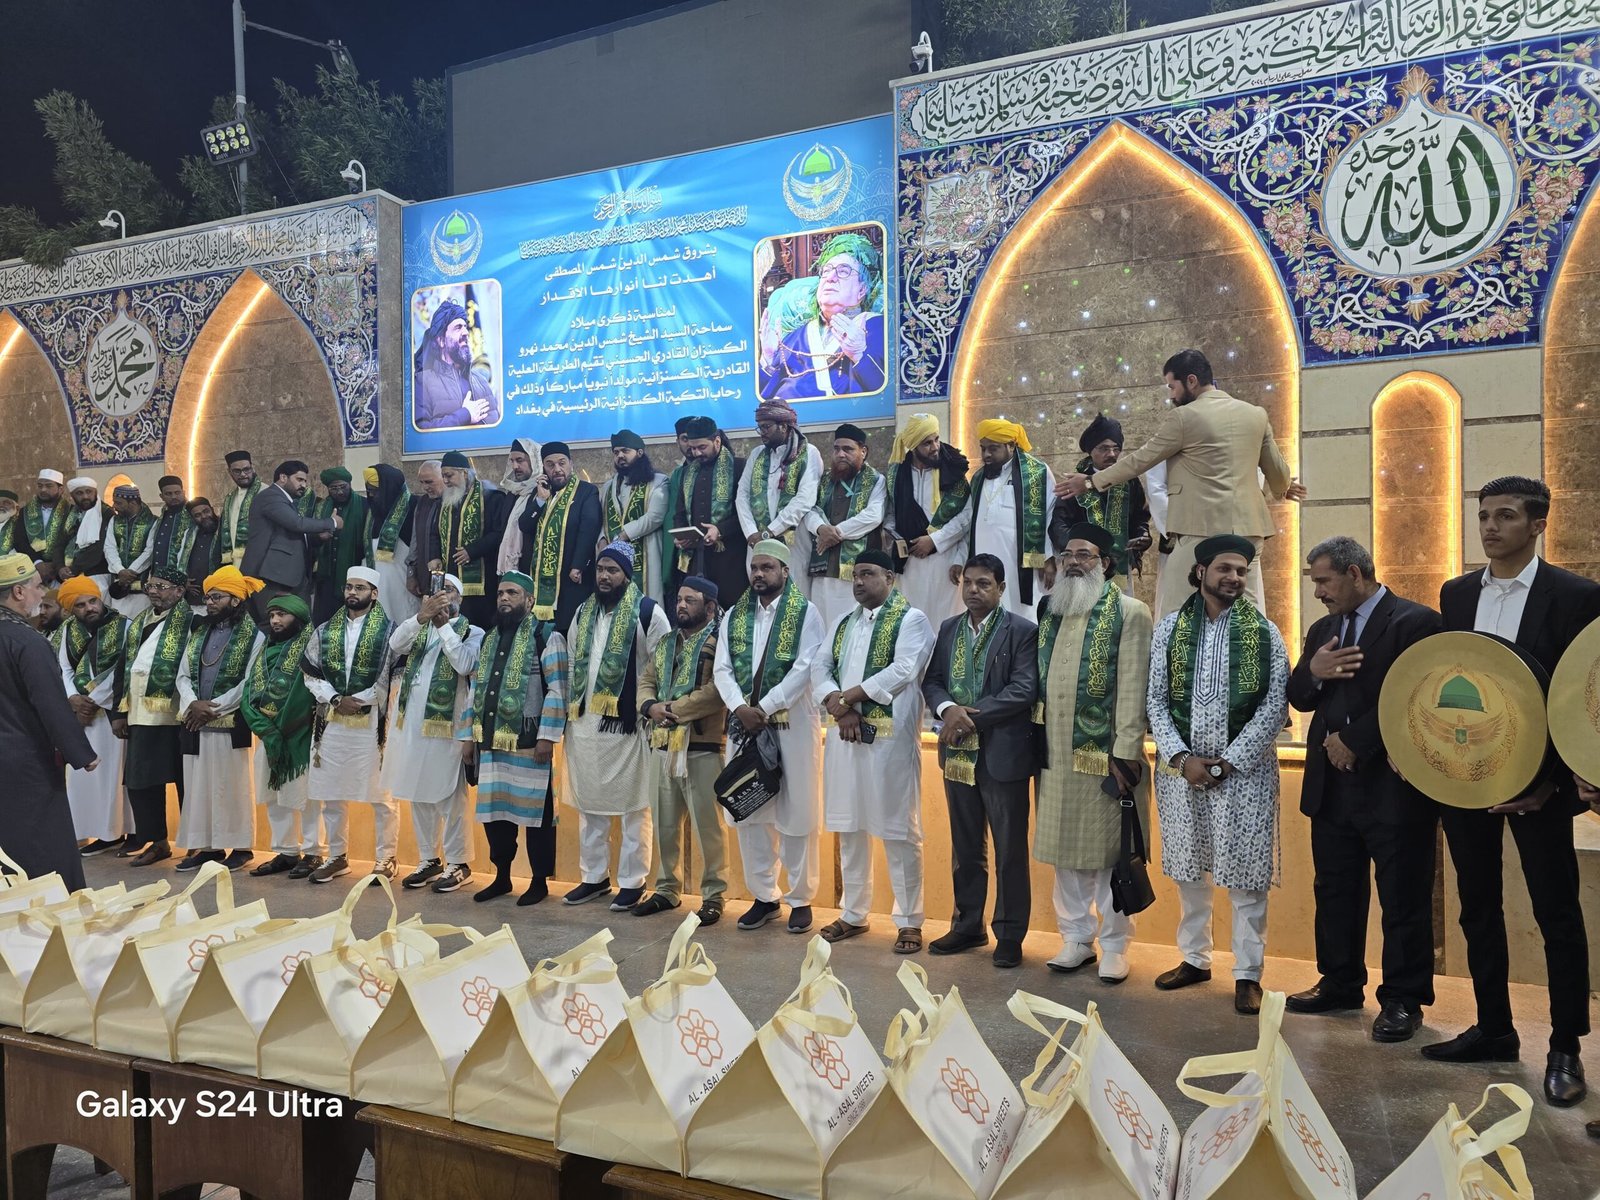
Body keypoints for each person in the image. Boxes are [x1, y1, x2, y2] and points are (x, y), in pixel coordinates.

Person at [1424, 477, 1600, 1107]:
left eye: (1505, 516)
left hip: (1542, 787)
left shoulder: (1578, 596)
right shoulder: (1456, 593)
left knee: (1557, 914)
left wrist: (1553, 784)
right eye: (1484, 516)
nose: (1490, 528)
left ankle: (1565, 1046)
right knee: (1477, 908)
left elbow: (1581, 695)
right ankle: (1495, 1027)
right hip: (1468, 776)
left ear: (1538, 525)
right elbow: (1452, 680)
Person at [1285, 536, 1441, 1042]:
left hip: (1392, 785)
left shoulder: (1416, 623)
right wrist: (1313, 672)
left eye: (1324, 581)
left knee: (1403, 895)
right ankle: (1339, 982)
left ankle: (1403, 999)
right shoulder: (1323, 629)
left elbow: (1418, 696)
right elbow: (1299, 697)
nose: (1318, 593)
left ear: (1355, 574)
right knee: (1334, 889)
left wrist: (1355, 741)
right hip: (1331, 787)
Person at [1147, 535, 1289, 1014]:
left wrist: (1230, 761)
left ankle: (1248, 974)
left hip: (1244, 775)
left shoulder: (1264, 632)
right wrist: (1181, 758)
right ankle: (1195, 959)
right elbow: (1155, 700)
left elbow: (1275, 705)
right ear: (1201, 571)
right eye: (1225, 569)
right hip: (1180, 773)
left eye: (1241, 571)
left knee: (1246, 878)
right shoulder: (1169, 630)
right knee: (1190, 871)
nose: (1234, 578)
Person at [1056, 350, 1303, 620]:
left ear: (1191, 381)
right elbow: (1278, 474)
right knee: (1247, 612)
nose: (1172, 395)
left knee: (1176, 611)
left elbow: (1141, 459)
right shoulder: (1255, 414)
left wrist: (1091, 481)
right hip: (1249, 531)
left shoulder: (1184, 417)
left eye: (1172, 386)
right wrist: (1281, 488)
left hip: (1200, 530)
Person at [1031, 526, 1154, 982]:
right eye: (1067, 555)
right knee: (1065, 852)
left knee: (1110, 852)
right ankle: (1076, 938)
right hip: (1055, 754)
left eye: (1084, 555)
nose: (1074, 562)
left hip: (1105, 756)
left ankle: (1116, 945)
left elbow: (1134, 685)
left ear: (1104, 563)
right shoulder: (1051, 609)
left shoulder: (1130, 611)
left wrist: (1126, 752)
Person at [812, 550, 934, 952]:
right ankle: (853, 913)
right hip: (846, 738)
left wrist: (847, 698)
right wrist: (838, 705)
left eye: (868, 574)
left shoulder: (912, 620)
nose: (859, 581)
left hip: (889, 743)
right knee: (850, 827)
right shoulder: (843, 622)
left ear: (890, 578)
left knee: (898, 830)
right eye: (855, 575)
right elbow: (819, 667)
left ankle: (909, 921)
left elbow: (903, 670)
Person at [922, 553, 1038, 967]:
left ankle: (1009, 934)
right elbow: (933, 682)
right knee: (966, 847)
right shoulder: (949, 628)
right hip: (957, 755)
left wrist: (965, 718)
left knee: (1009, 851)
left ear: (1001, 588)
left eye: (984, 583)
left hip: (1002, 756)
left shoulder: (1022, 631)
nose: (973, 590)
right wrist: (946, 709)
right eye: (968, 582)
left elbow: (1023, 689)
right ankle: (968, 925)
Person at [713, 540, 827, 932]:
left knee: (797, 814)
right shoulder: (734, 615)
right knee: (750, 811)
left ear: (785, 571)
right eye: (755, 568)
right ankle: (765, 897)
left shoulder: (806, 612)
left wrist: (764, 706)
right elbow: (722, 669)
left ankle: (801, 899)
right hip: (745, 728)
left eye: (767, 567)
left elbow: (805, 667)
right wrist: (739, 707)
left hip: (791, 727)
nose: (759, 574)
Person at [560, 541, 671, 911]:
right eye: (600, 569)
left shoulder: (648, 612)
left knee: (634, 806)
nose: (604, 577)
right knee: (590, 804)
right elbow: (573, 659)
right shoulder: (583, 611)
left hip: (629, 725)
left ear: (627, 574)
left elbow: (662, 666)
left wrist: (650, 711)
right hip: (585, 724)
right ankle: (593, 877)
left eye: (613, 570)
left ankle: (632, 881)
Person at [469, 571, 570, 906]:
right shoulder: (489, 638)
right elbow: (475, 690)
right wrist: (468, 737)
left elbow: (557, 689)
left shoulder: (546, 635)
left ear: (530, 600)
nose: (504, 598)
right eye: (500, 593)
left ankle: (539, 881)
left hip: (529, 744)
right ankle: (502, 877)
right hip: (491, 743)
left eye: (512, 593)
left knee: (537, 815)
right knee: (496, 815)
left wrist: (547, 737)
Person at [0, 552, 97, 887]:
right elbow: (50, 702)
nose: (42, 595)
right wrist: (81, 753)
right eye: (38, 587)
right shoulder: (26, 641)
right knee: (43, 843)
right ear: (18, 592)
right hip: (27, 762)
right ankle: (54, 908)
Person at [635, 576, 727, 923]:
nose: (681, 606)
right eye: (679, 600)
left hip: (702, 747)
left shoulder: (719, 642)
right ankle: (666, 890)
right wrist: (650, 707)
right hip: (662, 745)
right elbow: (647, 680)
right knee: (664, 825)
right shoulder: (667, 643)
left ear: (710, 608)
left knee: (708, 828)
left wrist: (671, 709)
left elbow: (717, 692)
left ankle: (714, 895)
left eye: (691, 600)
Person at [383, 575, 482, 895]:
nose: (442, 596)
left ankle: (459, 863)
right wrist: (421, 618)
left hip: (448, 729)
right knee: (418, 792)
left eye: (449, 591)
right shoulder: (419, 627)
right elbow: (395, 645)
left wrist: (442, 627)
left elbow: (464, 664)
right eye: (437, 591)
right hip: (412, 728)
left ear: (460, 598)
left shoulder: (473, 632)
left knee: (448, 797)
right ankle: (429, 859)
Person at [302, 566, 397, 883]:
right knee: (330, 792)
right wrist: (334, 698)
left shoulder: (390, 631)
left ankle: (386, 858)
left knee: (381, 796)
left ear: (374, 593)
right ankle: (337, 856)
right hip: (332, 720)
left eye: (360, 587)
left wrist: (361, 699)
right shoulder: (324, 630)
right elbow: (310, 674)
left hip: (371, 723)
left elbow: (394, 676)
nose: (352, 593)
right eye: (349, 587)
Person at [175, 566, 266, 872]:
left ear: (236, 600)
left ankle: (241, 847)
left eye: (217, 597)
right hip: (196, 721)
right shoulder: (200, 632)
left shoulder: (255, 636)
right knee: (199, 787)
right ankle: (208, 848)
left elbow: (251, 681)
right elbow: (182, 675)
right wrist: (192, 703)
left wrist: (213, 708)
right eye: (207, 597)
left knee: (232, 786)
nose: (209, 603)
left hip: (229, 722)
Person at [112, 567, 192, 867]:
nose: (154, 591)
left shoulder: (192, 622)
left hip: (178, 715)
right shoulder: (139, 622)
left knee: (186, 782)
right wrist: (118, 712)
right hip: (139, 714)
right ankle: (157, 841)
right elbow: (124, 667)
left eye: (162, 586)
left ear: (180, 591)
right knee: (141, 781)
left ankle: (195, 843)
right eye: (150, 586)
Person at [241, 594, 321, 880]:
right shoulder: (265, 649)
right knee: (274, 795)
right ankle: (286, 851)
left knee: (305, 796)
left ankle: (313, 852)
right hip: (268, 735)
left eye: (282, 615)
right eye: (272, 615)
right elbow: (249, 692)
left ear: (298, 619)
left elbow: (305, 694)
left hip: (300, 733)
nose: (275, 621)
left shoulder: (312, 647)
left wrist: (282, 728)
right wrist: (265, 728)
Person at [55, 575, 132, 854]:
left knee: (111, 775)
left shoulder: (124, 625)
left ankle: (113, 833)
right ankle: (87, 831)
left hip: (110, 712)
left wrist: (93, 700)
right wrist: (73, 699)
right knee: (84, 778)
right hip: (81, 715)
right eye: (80, 605)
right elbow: (63, 668)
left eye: (92, 601)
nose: (89, 608)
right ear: (70, 610)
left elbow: (123, 668)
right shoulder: (67, 630)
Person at [759, 232, 886, 400]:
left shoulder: (876, 326)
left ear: (862, 290)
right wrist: (768, 358)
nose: (830, 278)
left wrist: (858, 355)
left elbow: (886, 395)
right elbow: (760, 400)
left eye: (843, 271)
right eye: (826, 271)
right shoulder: (794, 337)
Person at [801, 424, 886, 638]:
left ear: (863, 451)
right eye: (837, 449)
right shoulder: (824, 480)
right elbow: (809, 509)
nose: (840, 454)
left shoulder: (876, 480)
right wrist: (821, 528)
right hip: (822, 568)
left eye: (848, 449)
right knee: (821, 627)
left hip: (855, 571)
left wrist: (835, 532)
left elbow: (873, 515)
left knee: (851, 628)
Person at [886, 413, 970, 625]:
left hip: (945, 559)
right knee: (911, 619)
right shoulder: (897, 474)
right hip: (909, 563)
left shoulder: (953, 469)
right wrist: (894, 536)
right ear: (914, 446)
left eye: (936, 439)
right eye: (927, 443)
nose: (935, 447)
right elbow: (890, 513)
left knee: (944, 621)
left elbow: (966, 516)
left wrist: (935, 540)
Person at [965, 420, 1055, 620]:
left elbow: (1050, 514)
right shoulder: (978, 477)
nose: (986, 455)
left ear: (1011, 445)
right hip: (984, 557)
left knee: (1022, 613)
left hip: (1021, 561)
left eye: (993, 448)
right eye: (983, 448)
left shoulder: (1037, 473)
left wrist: (1048, 557)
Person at [1049, 414, 1151, 588]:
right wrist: (1079, 550)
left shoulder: (1129, 481)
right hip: (1081, 567)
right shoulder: (1075, 482)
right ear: (1091, 451)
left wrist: (1142, 536)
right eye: (1104, 448)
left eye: (1116, 449)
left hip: (1119, 565)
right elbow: (1059, 524)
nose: (1111, 454)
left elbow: (1140, 517)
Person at [518, 442, 603, 634]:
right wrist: (540, 500)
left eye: (561, 463)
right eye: (550, 465)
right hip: (541, 579)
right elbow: (525, 525)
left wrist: (578, 565)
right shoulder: (540, 493)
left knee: (569, 628)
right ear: (544, 468)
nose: (557, 469)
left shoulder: (586, 491)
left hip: (571, 574)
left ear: (571, 464)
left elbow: (589, 528)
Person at [663, 418, 747, 612]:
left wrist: (720, 530)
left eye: (702, 447)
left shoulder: (739, 467)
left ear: (717, 441)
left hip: (730, 558)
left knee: (732, 612)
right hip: (697, 560)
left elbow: (746, 513)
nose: (696, 453)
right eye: (692, 448)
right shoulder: (687, 473)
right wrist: (681, 535)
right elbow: (679, 513)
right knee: (698, 613)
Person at [240, 460, 340, 618]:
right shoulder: (270, 496)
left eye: (305, 481)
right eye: (299, 480)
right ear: (283, 478)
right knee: (273, 623)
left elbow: (290, 535)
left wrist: (318, 538)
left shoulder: (286, 501)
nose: (304, 485)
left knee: (298, 622)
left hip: (287, 575)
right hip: (271, 576)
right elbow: (296, 524)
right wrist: (332, 522)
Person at [737, 399, 823, 580]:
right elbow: (742, 495)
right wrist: (751, 532)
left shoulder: (808, 452)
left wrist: (770, 531)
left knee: (794, 591)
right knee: (761, 589)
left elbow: (805, 499)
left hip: (793, 541)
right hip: (756, 542)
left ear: (783, 426)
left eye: (766, 427)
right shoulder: (757, 454)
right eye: (759, 427)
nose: (762, 432)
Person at [435, 450, 511, 629]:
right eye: (443, 476)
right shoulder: (446, 500)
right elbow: (434, 533)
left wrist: (472, 551)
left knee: (479, 621)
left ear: (464, 473)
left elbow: (498, 533)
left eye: (449, 475)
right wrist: (434, 556)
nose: (445, 481)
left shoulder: (491, 497)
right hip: (452, 573)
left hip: (482, 576)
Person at [600, 430, 670, 604]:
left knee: (646, 606)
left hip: (647, 552)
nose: (620, 456)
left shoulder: (658, 481)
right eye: (616, 452)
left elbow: (655, 517)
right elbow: (603, 520)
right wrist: (602, 540)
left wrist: (624, 535)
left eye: (625, 451)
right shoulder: (608, 487)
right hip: (613, 555)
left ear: (639, 453)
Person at [413, 300, 498, 429]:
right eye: (458, 327)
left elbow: (495, 429)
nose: (466, 333)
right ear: (441, 341)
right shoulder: (421, 382)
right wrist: (465, 415)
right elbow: (421, 432)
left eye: (465, 327)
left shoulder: (481, 382)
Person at [310, 467, 369, 625]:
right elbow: (312, 537)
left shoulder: (364, 505)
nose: (340, 492)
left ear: (350, 484)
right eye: (334, 488)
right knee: (324, 619)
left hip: (354, 571)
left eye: (343, 487)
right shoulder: (321, 508)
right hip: (326, 574)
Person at [363, 465, 418, 625]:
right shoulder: (372, 509)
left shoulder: (413, 505)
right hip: (375, 576)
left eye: (375, 490)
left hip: (401, 576)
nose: (371, 495)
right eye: (369, 490)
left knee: (402, 618)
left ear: (388, 488)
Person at [494, 437, 541, 578]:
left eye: (520, 460)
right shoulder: (512, 493)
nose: (515, 466)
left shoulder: (543, 490)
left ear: (534, 460)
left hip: (533, 566)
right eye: (512, 461)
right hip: (509, 569)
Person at [15, 469, 69, 582]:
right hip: (34, 571)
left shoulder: (71, 512)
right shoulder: (24, 513)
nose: (43, 489)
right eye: (40, 486)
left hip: (64, 572)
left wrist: (57, 565)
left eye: (49, 486)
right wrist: (38, 562)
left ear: (61, 489)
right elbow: (20, 541)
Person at [403, 460, 445, 599]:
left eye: (429, 482)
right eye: (422, 482)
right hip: (424, 578)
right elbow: (415, 541)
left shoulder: (455, 502)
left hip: (449, 580)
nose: (425, 487)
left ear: (444, 477)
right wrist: (411, 574)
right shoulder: (422, 502)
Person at [61, 476, 110, 583]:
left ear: (95, 492)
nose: (85, 496)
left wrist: (74, 569)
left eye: (89, 492)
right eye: (79, 493)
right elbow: (60, 542)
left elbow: (99, 548)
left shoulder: (106, 513)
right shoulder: (69, 514)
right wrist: (60, 567)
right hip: (69, 573)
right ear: (72, 496)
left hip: (98, 574)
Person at [218, 450, 262, 568]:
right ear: (229, 472)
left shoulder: (265, 492)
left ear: (252, 467)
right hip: (235, 563)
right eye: (237, 471)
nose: (243, 474)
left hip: (260, 560)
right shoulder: (230, 498)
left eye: (246, 469)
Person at [149, 476, 194, 579]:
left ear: (184, 492)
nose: (174, 497)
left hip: (184, 578)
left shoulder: (192, 514)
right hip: (159, 576)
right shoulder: (162, 517)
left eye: (177, 492)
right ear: (161, 496)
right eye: (168, 494)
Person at [182, 498, 222, 613]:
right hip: (193, 596)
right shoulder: (189, 534)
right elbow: (180, 560)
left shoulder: (224, 531)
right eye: (197, 515)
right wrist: (183, 580)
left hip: (219, 593)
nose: (204, 516)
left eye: (206, 511)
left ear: (212, 509)